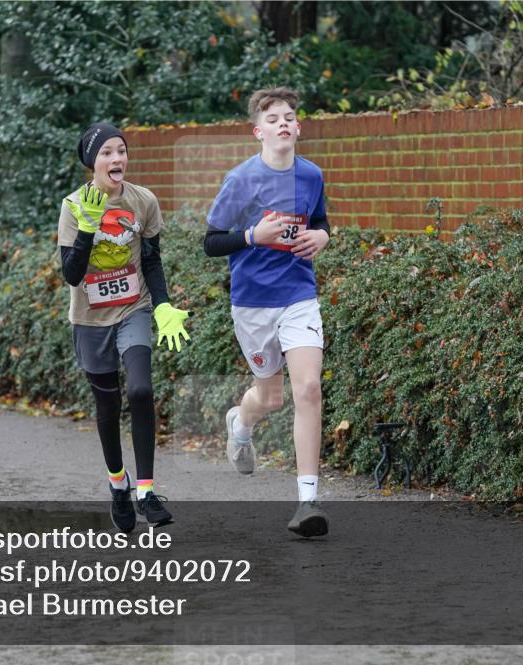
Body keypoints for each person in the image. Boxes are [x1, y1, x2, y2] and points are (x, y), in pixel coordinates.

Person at [203, 88, 331, 538]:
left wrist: (323, 239)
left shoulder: (311, 175)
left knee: (309, 389)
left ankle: (308, 502)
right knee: (271, 398)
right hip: (253, 301)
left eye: (290, 117)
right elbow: (211, 241)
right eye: (273, 118)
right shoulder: (241, 180)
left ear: (298, 128)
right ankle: (241, 423)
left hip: (299, 294)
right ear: (259, 131)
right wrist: (254, 235)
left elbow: (320, 222)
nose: (283, 123)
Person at [58, 122, 190, 533]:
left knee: (141, 389)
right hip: (90, 318)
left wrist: (164, 305)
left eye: (122, 150)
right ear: (92, 162)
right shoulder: (73, 205)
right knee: (108, 406)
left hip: (133, 308)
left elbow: (150, 259)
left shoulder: (143, 200)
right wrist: (86, 228)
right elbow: (71, 275)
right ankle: (118, 483)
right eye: (107, 153)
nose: (117, 159)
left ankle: (147, 492)